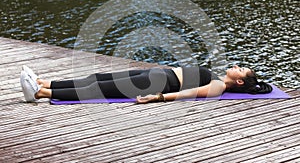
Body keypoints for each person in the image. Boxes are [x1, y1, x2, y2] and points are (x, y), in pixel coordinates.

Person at [20, 65, 272, 104]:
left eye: (241, 69)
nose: (236, 66)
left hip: (157, 82)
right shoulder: (217, 76)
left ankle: (41, 93)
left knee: (97, 89)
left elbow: (190, 92)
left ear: (239, 80)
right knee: (97, 78)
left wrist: (158, 97)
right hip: (154, 73)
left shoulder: (219, 87)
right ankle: (46, 81)